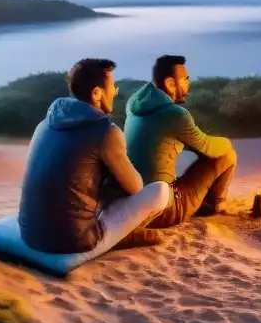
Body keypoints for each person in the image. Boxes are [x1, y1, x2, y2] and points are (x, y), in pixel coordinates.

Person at [18, 58, 170, 254]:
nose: (115, 91)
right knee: (160, 191)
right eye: (112, 86)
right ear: (97, 93)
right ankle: (123, 236)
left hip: (29, 234)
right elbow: (136, 187)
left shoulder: (44, 124)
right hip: (74, 240)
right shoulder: (106, 131)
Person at [125, 55, 238, 227]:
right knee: (227, 155)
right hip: (163, 209)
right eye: (185, 80)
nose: (188, 85)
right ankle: (214, 206)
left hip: (131, 203)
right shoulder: (175, 115)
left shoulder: (134, 106)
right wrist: (228, 141)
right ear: (170, 83)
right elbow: (209, 148)